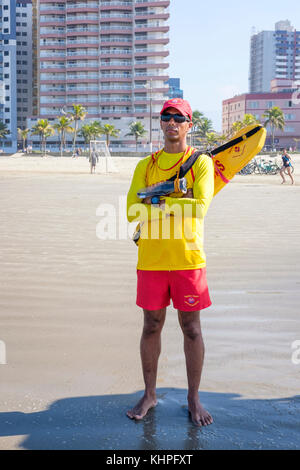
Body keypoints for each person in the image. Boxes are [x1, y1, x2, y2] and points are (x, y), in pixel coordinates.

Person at [126, 98, 215, 427]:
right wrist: (179, 199)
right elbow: (131, 212)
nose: (172, 122)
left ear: (189, 125)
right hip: (151, 260)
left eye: (180, 118)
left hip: (188, 260)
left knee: (191, 329)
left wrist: (157, 201)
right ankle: (149, 394)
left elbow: (201, 208)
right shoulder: (144, 167)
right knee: (151, 326)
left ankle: (193, 398)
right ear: (160, 123)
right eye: (167, 117)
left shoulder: (200, 163)